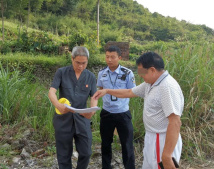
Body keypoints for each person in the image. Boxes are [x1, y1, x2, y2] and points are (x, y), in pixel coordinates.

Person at [93, 52, 184, 169]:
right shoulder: (150, 84)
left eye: (142, 72)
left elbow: (175, 122)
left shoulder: (167, 87)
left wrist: (166, 155)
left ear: (152, 70)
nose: (140, 76)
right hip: (152, 136)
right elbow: (129, 92)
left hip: (162, 139)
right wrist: (107, 91)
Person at [48, 46, 98, 169]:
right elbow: (51, 92)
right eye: (78, 63)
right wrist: (58, 105)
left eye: (84, 63)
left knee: (86, 152)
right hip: (63, 119)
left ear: (87, 61)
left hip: (82, 119)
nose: (80, 66)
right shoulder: (61, 72)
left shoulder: (90, 76)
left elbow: (94, 97)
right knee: (64, 155)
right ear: (72, 59)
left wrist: (92, 110)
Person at [97, 46, 136, 169]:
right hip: (107, 113)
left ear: (119, 57)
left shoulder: (128, 73)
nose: (109, 59)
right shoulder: (101, 73)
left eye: (112, 57)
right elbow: (100, 90)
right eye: (107, 56)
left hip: (123, 114)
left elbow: (133, 92)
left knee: (127, 145)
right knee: (106, 144)